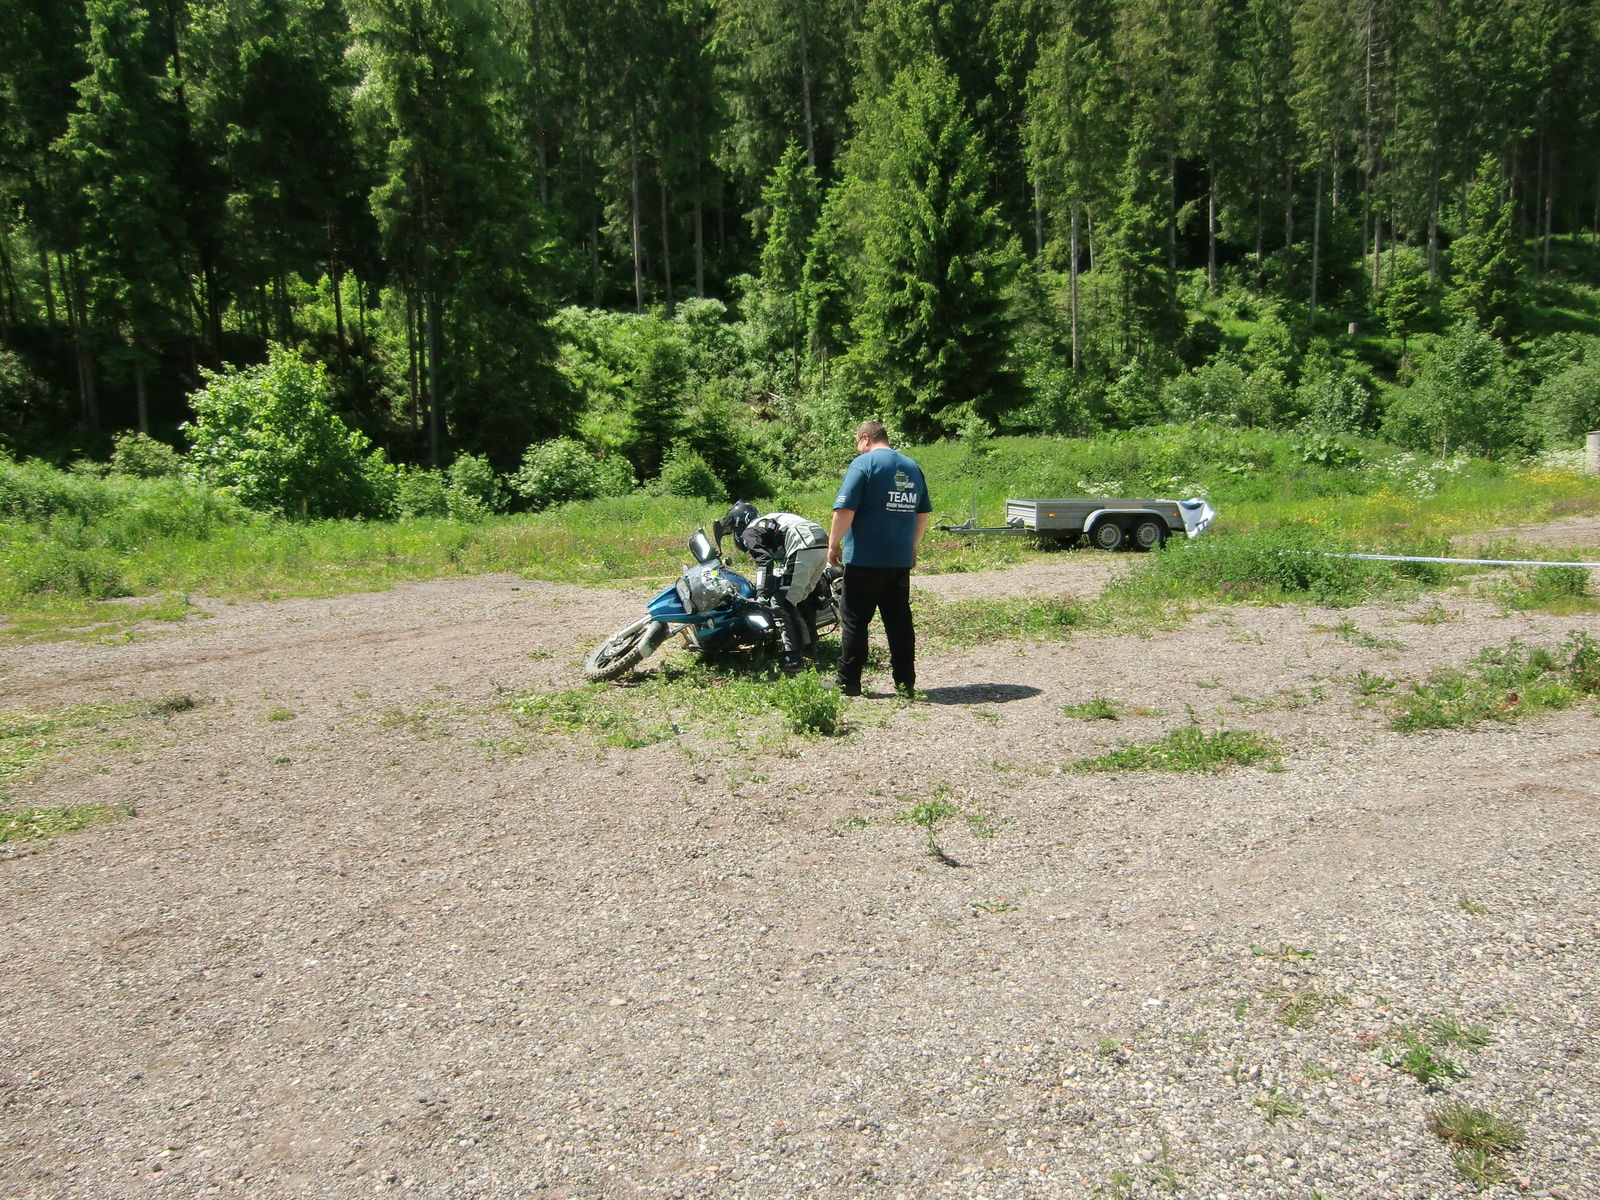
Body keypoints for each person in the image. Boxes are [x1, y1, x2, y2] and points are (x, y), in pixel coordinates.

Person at [825, 419, 931, 697]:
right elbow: (922, 514)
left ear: (865, 438)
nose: (858, 448)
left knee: (854, 620)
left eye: (857, 443)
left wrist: (833, 545)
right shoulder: (912, 466)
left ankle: (848, 682)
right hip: (899, 561)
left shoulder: (863, 464)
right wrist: (912, 546)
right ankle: (905, 683)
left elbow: (844, 510)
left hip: (865, 559)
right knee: (899, 621)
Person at [719, 501, 830, 670]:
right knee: (800, 598)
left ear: (740, 523)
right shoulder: (766, 522)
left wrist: (762, 595)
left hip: (802, 543)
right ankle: (808, 647)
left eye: (735, 529)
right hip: (820, 542)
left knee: (782, 601)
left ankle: (793, 659)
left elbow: (764, 560)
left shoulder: (749, 531)